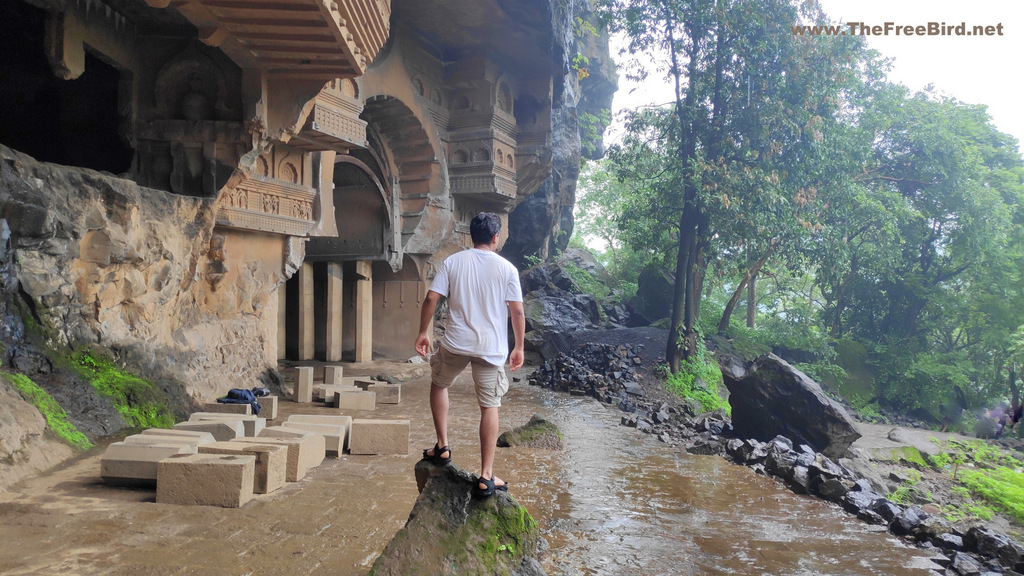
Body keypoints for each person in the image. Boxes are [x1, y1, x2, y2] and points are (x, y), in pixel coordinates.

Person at [414, 212, 526, 497]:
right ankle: (486, 476)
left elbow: (431, 298)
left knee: (440, 383)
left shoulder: (453, 262)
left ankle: (442, 446)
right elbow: (517, 311)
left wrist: (423, 331)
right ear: (495, 237)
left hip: (456, 343)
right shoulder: (507, 269)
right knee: (489, 406)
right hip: (490, 348)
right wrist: (519, 346)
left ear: (470, 236)